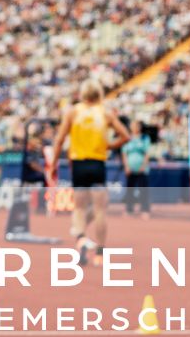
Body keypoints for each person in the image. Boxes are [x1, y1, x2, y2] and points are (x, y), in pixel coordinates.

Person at [51, 78, 129, 266]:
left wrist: (53, 162)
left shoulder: (72, 112)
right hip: (97, 163)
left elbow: (60, 139)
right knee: (100, 210)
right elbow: (125, 135)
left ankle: (80, 239)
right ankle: (100, 254)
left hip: (78, 164)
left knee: (79, 208)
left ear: (83, 94)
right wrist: (109, 145)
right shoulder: (105, 113)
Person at [120, 122, 154, 217]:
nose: (135, 128)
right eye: (133, 126)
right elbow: (124, 154)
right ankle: (129, 209)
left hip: (142, 168)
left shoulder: (144, 138)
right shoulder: (127, 138)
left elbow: (147, 153)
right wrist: (126, 166)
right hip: (131, 168)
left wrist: (143, 166)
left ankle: (145, 209)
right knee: (130, 190)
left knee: (143, 190)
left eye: (137, 126)